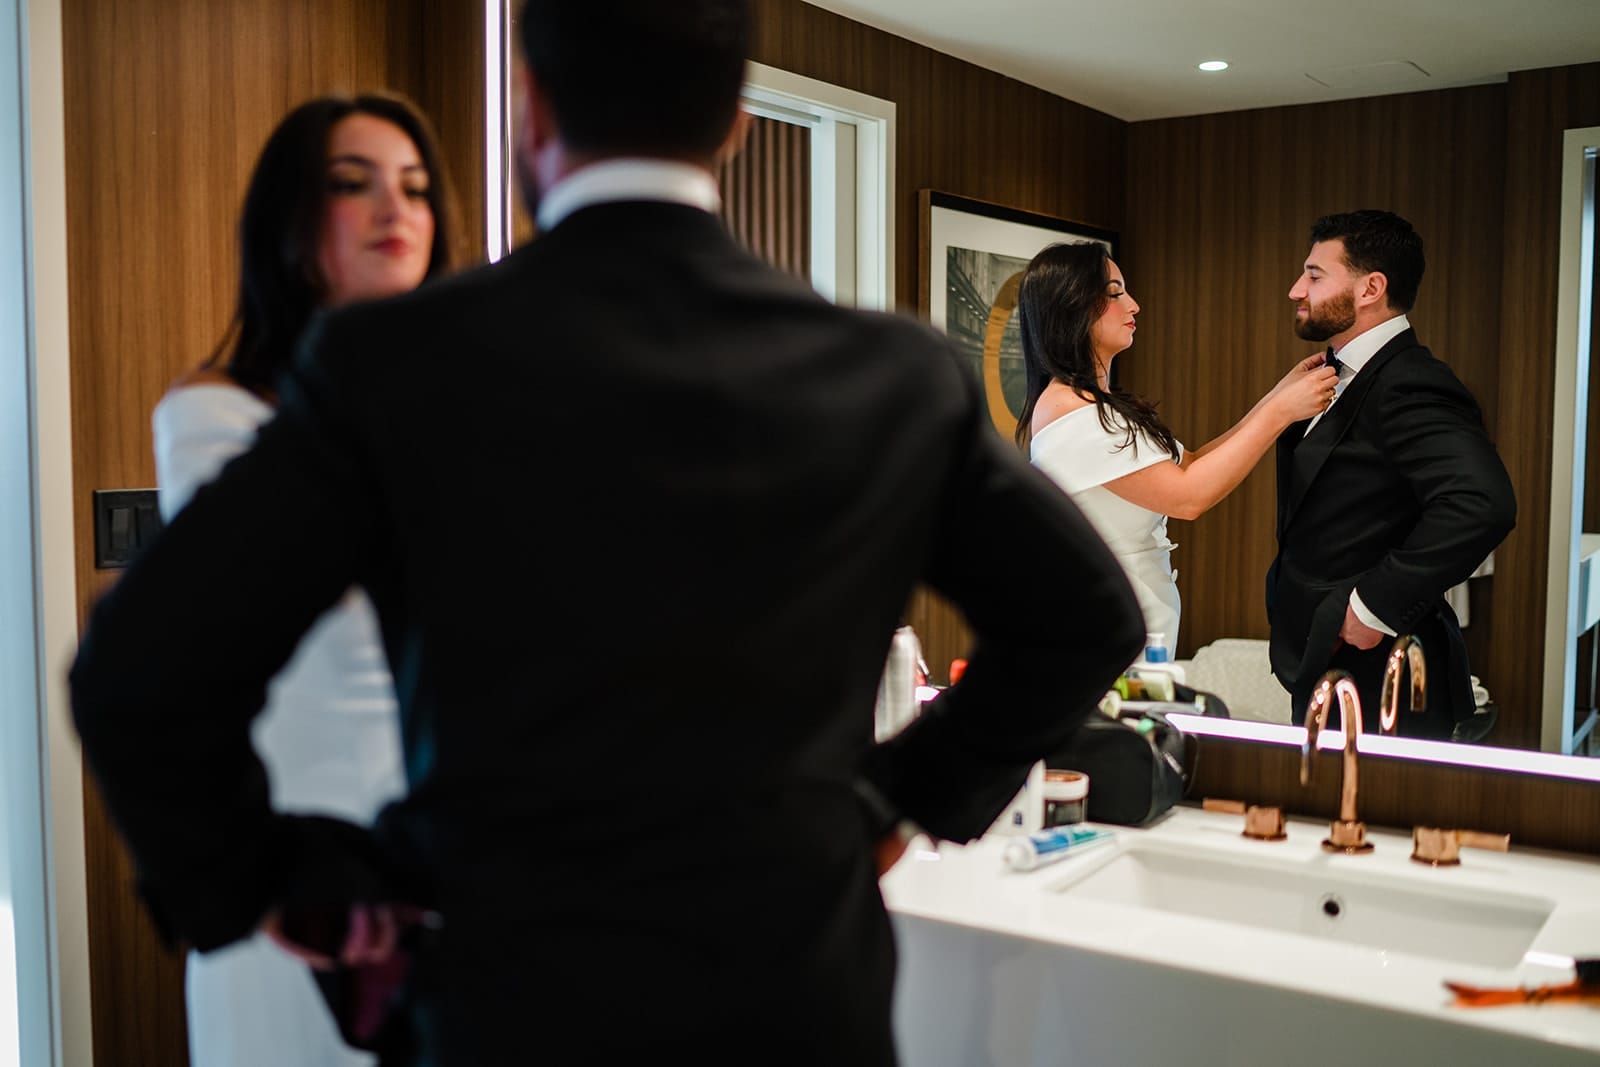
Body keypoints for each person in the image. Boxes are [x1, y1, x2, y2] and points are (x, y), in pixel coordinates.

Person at [68, 2, 1146, 1063]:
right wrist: (898, 802)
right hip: (791, 1002)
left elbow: (138, 672)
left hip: (504, 1004)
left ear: (529, 109)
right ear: (732, 118)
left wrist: (276, 885)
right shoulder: (890, 375)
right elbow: (1083, 619)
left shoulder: (393, 366)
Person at [151, 93, 458, 1067]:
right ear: (289, 222)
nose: (394, 208)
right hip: (302, 873)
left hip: (450, 861)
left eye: (414, 188)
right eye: (350, 183)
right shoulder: (216, 417)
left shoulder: (457, 410)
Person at [1016, 241, 1338, 651]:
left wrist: (1277, 397)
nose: (1133, 305)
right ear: (1072, 306)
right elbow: (1189, 497)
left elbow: (1193, 463)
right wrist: (1281, 413)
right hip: (1096, 629)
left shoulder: (1098, 405)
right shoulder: (1067, 408)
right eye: (1115, 293)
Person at [1268, 210, 1515, 738]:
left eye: (1314, 275)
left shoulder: (1410, 382)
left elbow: (1481, 501)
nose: (1296, 290)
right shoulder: (1335, 375)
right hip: (1328, 665)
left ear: (1370, 288)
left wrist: (1372, 607)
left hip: (1385, 671)